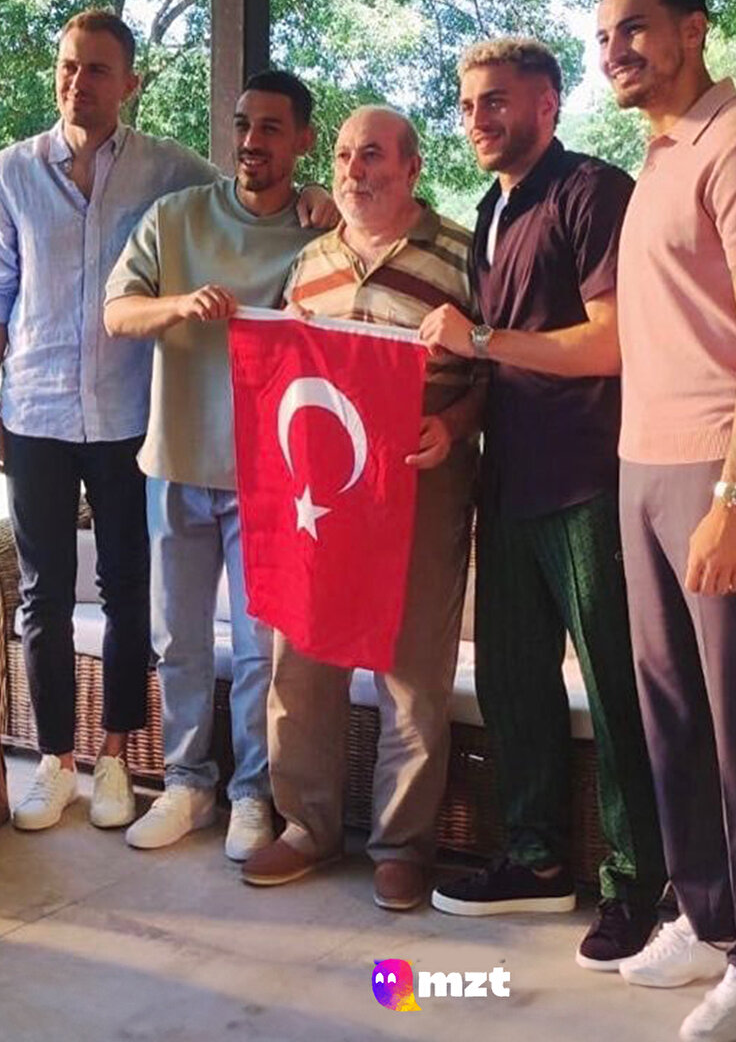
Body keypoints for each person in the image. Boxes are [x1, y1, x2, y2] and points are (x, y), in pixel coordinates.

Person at [419, 39, 667, 970]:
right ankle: (535, 861)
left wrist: (480, 338)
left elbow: (609, 343)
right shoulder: (490, 211)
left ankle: (639, 886)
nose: (478, 119)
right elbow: (493, 357)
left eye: (496, 101)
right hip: (508, 479)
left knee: (615, 689)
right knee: (513, 682)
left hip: (588, 482)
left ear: (548, 104)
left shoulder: (592, 192)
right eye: (467, 105)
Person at [596, 0, 736, 1042]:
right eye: (603, 37)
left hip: (711, 468)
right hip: (641, 465)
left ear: (694, 30)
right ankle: (707, 915)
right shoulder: (661, 155)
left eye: (635, 29)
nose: (616, 51)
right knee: (669, 711)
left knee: (734, 721)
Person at [0, 10, 219, 833]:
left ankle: (115, 756)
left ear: (131, 84)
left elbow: (241, 203)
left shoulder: (169, 170)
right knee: (41, 594)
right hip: (35, 412)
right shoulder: (10, 173)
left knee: (127, 590)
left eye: (98, 70)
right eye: (69, 66)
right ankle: (55, 762)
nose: (79, 83)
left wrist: (314, 199)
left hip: (129, 416)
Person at [241, 106, 482, 912]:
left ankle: (402, 845)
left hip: (422, 480)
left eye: (373, 155)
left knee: (412, 669)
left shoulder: (463, 257)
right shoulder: (308, 262)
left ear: (412, 167)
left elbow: (498, 373)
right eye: (344, 155)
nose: (354, 170)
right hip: (322, 493)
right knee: (302, 653)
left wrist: (454, 425)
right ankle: (306, 825)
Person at [103, 70, 335, 860]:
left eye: (271, 127)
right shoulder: (176, 218)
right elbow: (117, 312)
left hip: (272, 482)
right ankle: (187, 784)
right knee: (180, 640)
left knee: (262, 651)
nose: (250, 141)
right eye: (242, 125)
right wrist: (178, 304)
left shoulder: (318, 236)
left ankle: (252, 795)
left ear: (303, 140)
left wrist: (330, 207)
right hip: (175, 460)